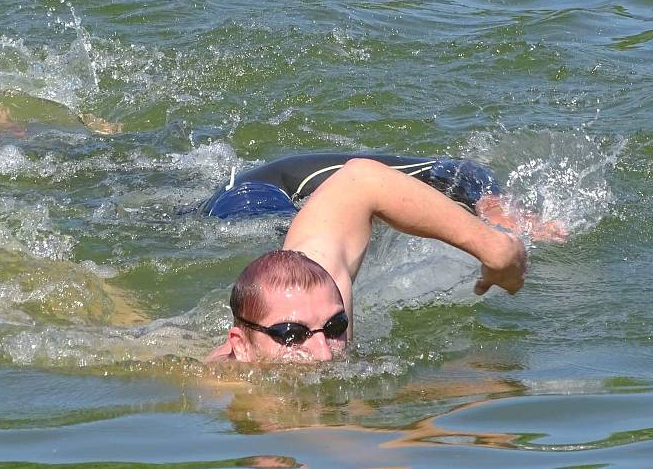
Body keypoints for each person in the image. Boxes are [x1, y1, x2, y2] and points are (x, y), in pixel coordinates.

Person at [202, 153, 563, 363]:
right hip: (261, 214)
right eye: (291, 335)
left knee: (458, 173)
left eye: (336, 327)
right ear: (240, 345)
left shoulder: (314, 289)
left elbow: (363, 179)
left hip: (267, 191)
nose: (324, 354)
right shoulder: (219, 386)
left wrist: (494, 242)